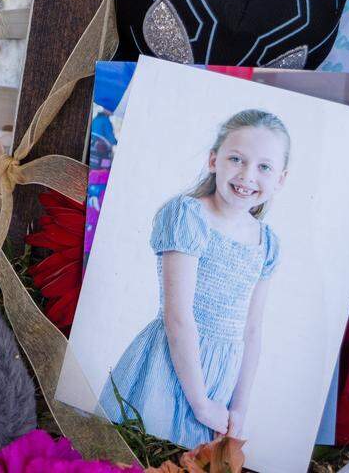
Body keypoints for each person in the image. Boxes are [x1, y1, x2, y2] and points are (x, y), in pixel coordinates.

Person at [99, 109, 289, 447]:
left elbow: (253, 329)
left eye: (264, 167)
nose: (247, 175)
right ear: (214, 160)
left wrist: (239, 409)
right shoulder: (189, 216)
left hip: (223, 381)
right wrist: (200, 403)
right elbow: (178, 317)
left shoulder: (267, 243)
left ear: (280, 179)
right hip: (169, 368)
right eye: (236, 159)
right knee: (140, 453)